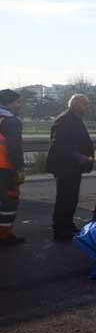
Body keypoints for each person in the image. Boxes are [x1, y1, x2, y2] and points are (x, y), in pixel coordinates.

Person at [45, 94, 94, 241]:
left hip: (73, 167)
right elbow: (59, 144)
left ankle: (68, 224)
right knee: (65, 198)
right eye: (85, 104)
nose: (87, 107)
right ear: (75, 104)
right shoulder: (64, 120)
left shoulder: (74, 119)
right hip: (65, 167)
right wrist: (78, 156)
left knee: (71, 197)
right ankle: (60, 229)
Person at [0, 90, 25, 246]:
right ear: (9, 103)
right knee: (9, 202)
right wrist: (19, 169)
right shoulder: (11, 121)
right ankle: (4, 235)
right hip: (5, 168)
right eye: (18, 102)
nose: (19, 106)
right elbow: (14, 149)